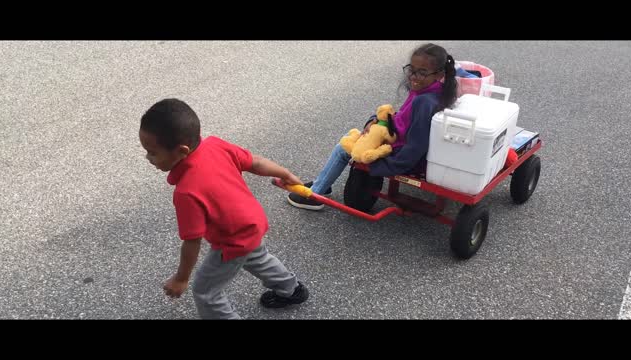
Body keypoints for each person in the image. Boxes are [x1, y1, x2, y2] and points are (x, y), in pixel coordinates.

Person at [139, 98, 309, 319]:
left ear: (182, 151)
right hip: (251, 222)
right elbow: (254, 162)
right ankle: (292, 289)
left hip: (232, 239)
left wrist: (181, 278)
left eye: (152, 152)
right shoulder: (214, 145)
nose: (148, 158)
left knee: (205, 291)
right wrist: (284, 173)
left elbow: (192, 241)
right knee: (256, 256)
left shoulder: (187, 192)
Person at [288, 43, 458, 210]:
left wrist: (386, 166)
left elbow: (416, 144)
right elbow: (401, 119)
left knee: (343, 148)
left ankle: (316, 194)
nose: (414, 76)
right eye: (412, 70)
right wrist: (375, 120)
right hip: (396, 143)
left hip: (401, 155)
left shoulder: (424, 101)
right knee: (351, 136)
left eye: (422, 72)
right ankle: (322, 184)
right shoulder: (430, 91)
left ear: (439, 74)